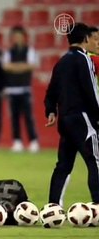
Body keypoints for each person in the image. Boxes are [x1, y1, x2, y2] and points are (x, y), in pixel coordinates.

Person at [44, 23, 99, 207]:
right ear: (85, 39)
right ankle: (98, 204)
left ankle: (53, 206)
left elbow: (52, 89)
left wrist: (51, 110)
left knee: (64, 165)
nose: (96, 43)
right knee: (95, 161)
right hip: (82, 118)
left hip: (65, 119)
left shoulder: (62, 61)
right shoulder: (84, 60)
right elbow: (91, 91)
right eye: (95, 39)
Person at [2, 26, 39, 153]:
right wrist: (22, 66)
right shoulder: (9, 51)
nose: (17, 38)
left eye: (19, 36)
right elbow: (6, 67)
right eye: (15, 36)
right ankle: (17, 141)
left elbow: (31, 66)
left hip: (25, 88)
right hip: (12, 89)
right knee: (15, 118)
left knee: (28, 117)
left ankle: (33, 141)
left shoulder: (29, 50)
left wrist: (15, 67)